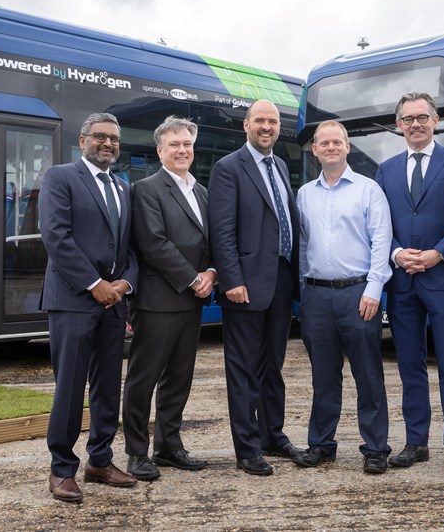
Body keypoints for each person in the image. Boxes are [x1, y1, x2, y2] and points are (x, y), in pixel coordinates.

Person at [374, 91, 444, 476]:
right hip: (402, 281)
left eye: (422, 117)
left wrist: (437, 253)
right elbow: (378, 223)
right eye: (407, 119)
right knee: (410, 367)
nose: (415, 124)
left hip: (443, 278)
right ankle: (416, 442)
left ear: (435, 121)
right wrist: (398, 253)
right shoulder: (385, 169)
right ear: (398, 125)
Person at [39, 112, 138, 503]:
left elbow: (132, 246)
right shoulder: (61, 177)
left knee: (106, 387)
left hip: (114, 304)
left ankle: (100, 460)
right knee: (70, 388)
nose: (108, 143)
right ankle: (61, 469)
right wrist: (94, 284)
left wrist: (124, 283)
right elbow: (56, 236)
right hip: (73, 301)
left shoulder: (123, 188)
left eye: (114, 138)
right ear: (83, 141)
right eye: (100, 137)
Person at [292, 121, 394, 474]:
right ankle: (321, 445)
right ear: (315, 150)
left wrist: (373, 289)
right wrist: (304, 291)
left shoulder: (369, 190)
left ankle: (376, 448)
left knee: (368, 375)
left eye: (337, 142)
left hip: (358, 294)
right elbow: (303, 245)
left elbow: (382, 242)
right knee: (323, 376)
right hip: (317, 296)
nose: (331, 147)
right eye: (324, 143)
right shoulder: (305, 194)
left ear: (347, 147)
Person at [208, 99, 301, 476]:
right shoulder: (228, 168)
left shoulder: (279, 165)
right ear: (246, 126)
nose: (267, 127)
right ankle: (247, 449)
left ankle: (271, 435)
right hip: (245, 285)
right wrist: (232, 280)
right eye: (260, 120)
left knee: (272, 366)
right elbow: (222, 230)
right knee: (244, 369)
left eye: (273, 121)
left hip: (280, 280)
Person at [122, 116, 215, 481]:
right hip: (158, 300)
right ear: (160, 150)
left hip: (192, 301)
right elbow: (154, 243)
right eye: (174, 144)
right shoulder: (147, 189)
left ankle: (169, 446)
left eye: (187, 144)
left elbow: (211, 241)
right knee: (143, 380)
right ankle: (135, 452)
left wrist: (211, 273)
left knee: (180, 378)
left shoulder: (203, 192)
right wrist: (194, 279)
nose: (182, 150)